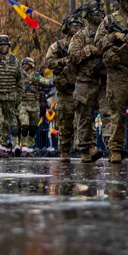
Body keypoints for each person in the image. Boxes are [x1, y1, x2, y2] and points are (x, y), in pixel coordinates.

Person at [95, 0, 128, 164]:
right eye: (126, 0)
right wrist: (113, 37)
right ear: (119, 1)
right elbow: (98, 43)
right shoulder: (110, 20)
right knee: (117, 112)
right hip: (117, 71)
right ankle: (116, 148)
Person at [69, 0, 108, 163]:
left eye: (100, 12)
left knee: (109, 114)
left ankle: (114, 148)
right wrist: (87, 51)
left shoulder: (107, 31)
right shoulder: (80, 35)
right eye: (94, 13)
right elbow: (72, 56)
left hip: (104, 80)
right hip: (86, 81)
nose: (98, 15)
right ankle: (87, 149)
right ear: (87, 16)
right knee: (85, 117)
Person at [46, 15, 83, 163]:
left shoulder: (85, 43)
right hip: (65, 89)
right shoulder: (59, 45)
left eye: (79, 26)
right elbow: (49, 61)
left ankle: (86, 149)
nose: (77, 29)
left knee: (83, 120)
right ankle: (64, 151)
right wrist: (64, 61)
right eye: (74, 26)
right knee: (65, 122)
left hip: (81, 86)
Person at [19, 58, 53, 155]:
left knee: (33, 128)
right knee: (25, 126)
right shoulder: (19, 75)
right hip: (23, 104)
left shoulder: (36, 76)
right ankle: (24, 147)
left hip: (34, 105)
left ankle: (29, 148)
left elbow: (46, 82)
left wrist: (52, 80)